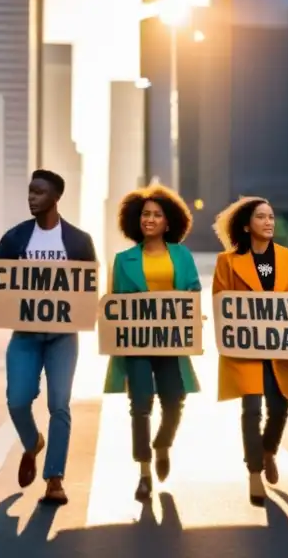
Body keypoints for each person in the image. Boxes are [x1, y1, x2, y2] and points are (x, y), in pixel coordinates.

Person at [0, 169, 98, 506]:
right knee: (17, 401)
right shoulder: (15, 238)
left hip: (63, 337)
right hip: (24, 335)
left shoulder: (79, 241)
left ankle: (55, 479)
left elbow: (88, 287)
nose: (31, 197)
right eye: (30, 191)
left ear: (55, 197)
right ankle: (32, 443)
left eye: (38, 192)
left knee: (59, 405)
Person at [103, 184, 202, 502]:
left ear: (168, 222)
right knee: (140, 405)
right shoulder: (123, 260)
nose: (150, 219)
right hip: (137, 344)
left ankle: (162, 444)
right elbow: (115, 303)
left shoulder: (182, 255)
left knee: (175, 401)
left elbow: (193, 289)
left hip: (171, 342)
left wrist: (192, 311)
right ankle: (144, 473)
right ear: (136, 219)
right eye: (145, 214)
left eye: (157, 215)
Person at [212, 196, 288, 506]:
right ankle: (254, 473)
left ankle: (268, 451)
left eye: (271, 216)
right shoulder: (226, 262)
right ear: (245, 225)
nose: (269, 222)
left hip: (281, 348)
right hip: (245, 349)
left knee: (279, 409)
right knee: (251, 411)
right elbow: (220, 303)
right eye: (261, 217)